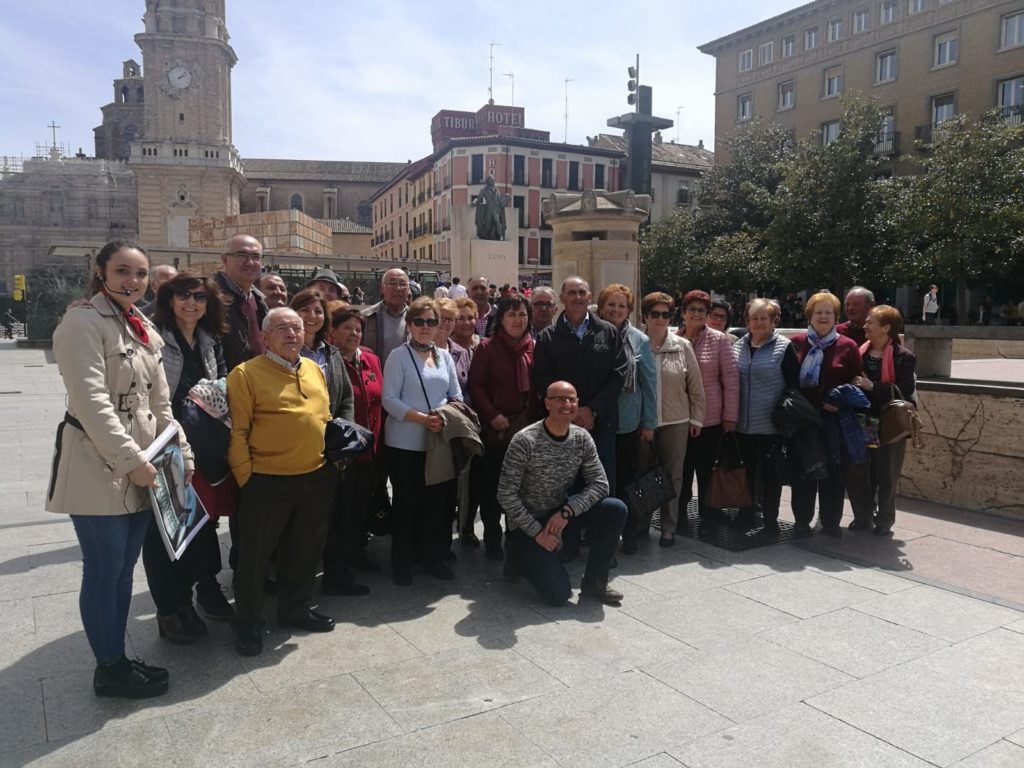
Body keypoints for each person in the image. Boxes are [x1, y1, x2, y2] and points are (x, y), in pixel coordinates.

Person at [48, 239, 194, 698]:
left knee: (124, 568)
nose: (132, 281)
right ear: (101, 272)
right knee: (104, 568)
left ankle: (117, 656)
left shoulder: (143, 327)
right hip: (97, 465)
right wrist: (132, 462)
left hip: (145, 465)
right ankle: (109, 666)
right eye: (122, 271)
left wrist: (181, 454)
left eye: (140, 273)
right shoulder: (82, 322)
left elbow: (161, 403)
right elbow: (91, 403)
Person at [227, 307, 338, 657]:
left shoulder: (314, 369)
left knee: (304, 550)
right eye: (281, 328)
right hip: (267, 481)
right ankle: (247, 624)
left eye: (296, 327)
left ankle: (295, 609)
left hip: (315, 475)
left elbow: (326, 415)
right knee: (256, 558)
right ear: (265, 335)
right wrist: (247, 477)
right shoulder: (245, 374)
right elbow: (238, 432)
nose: (291, 333)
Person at [143, 272, 232, 642]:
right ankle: (169, 608)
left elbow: (224, 381)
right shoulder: (153, 336)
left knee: (200, 523)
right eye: (183, 295)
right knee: (165, 529)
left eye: (199, 296)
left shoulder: (211, 340)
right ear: (169, 299)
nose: (191, 302)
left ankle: (198, 595)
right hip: (165, 442)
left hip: (202, 442)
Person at [499, 381, 628, 606]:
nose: (567, 404)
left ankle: (595, 582)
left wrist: (567, 512)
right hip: (529, 521)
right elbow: (506, 495)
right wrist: (538, 534)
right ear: (547, 403)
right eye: (560, 399)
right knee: (559, 595)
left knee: (615, 509)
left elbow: (600, 484)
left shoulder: (581, 437)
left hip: (560, 511)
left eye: (572, 399)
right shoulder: (525, 440)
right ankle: (517, 555)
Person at [381, 297, 463, 586]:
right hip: (405, 444)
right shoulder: (398, 356)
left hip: (436, 442)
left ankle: (432, 557)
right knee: (406, 504)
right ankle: (402, 561)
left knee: (435, 505)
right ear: (410, 324)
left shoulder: (443, 356)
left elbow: (456, 394)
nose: (426, 327)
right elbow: (389, 399)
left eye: (431, 322)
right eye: (420, 322)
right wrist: (421, 418)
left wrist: (445, 415)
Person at [533, 276, 626, 499]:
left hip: (601, 424)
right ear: (563, 298)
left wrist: (592, 409)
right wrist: (569, 412)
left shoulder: (608, 332)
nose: (578, 297)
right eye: (572, 293)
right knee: (565, 490)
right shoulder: (548, 337)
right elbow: (542, 379)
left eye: (582, 292)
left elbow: (619, 374)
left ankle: (601, 534)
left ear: (590, 297)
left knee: (602, 488)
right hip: (562, 427)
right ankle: (568, 534)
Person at [468, 295, 541, 560]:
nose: (517, 320)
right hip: (497, 429)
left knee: (522, 488)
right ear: (501, 319)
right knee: (493, 489)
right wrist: (492, 414)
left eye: (522, 314)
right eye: (511, 315)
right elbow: (475, 385)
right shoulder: (488, 348)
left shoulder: (534, 347)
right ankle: (491, 536)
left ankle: (515, 536)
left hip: (528, 430)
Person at [790, 291, 863, 537]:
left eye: (828, 312)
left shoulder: (848, 346)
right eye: (818, 312)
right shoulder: (797, 342)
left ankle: (831, 522)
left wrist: (840, 400)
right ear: (810, 316)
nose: (823, 316)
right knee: (804, 473)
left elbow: (857, 381)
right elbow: (787, 380)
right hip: (804, 421)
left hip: (836, 422)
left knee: (834, 474)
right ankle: (801, 521)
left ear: (835, 317)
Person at [596, 284, 656, 554]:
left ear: (629, 310)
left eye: (622, 305)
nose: (616, 310)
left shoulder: (639, 340)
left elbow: (650, 385)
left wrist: (649, 422)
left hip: (628, 421)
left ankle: (629, 531)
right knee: (597, 480)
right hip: (596, 419)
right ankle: (595, 530)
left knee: (627, 479)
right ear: (601, 306)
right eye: (611, 304)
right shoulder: (592, 334)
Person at [641, 293, 705, 546]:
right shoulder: (636, 343)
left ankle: (669, 527)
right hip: (643, 423)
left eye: (665, 314)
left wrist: (696, 420)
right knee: (643, 474)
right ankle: (642, 523)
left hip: (675, 422)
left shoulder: (682, 346)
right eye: (654, 313)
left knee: (673, 477)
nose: (660, 318)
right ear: (645, 316)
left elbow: (696, 388)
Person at [324, 308, 384, 577]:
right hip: (344, 452)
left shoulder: (371, 359)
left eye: (358, 329)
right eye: (347, 328)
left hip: (371, 450)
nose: (354, 334)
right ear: (332, 332)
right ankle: (336, 564)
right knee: (340, 509)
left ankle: (357, 552)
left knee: (362, 504)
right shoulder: (328, 361)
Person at [848, 305, 917, 536]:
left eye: (871, 322)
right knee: (862, 470)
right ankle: (863, 515)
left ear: (886, 328)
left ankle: (885, 518)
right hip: (865, 421)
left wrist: (872, 386)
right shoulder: (859, 352)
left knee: (886, 471)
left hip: (891, 423)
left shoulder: (904, 357)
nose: (865, 326)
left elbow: (906, 389)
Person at [733, 298, 800, 534]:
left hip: (772, 426)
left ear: (774, 321)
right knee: (747, 473)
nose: (759, 322)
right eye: (754, 318)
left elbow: (794, 386)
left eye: (764, 318)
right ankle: (746, 514)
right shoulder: (738, 345)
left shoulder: (784, 347)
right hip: (742, 424)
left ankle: (771, 521)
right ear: (747, 320)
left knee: (771, 476)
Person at [677, 290, 740, 528]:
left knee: (706, 470)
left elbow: (731, 380)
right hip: (680, 418)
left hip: (710, 419)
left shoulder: (719, 340)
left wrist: (730, 417)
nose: (696, 314)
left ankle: (708, 512)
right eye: (691, 309)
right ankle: (679, 514)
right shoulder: (673, 339)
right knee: (681, 470)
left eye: (701, 310)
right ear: (683, 313)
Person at [289, 289, 354, 422]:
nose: (312, 316)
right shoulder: (284, 353)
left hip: (330, 435)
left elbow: (346, 398)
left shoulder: (333, 354)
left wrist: (343, 431)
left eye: (318, 311)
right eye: (305, 310)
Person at [215, 235, 268, 372]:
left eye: (256, 257)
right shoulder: (211, 297)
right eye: (241, 255)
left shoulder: (258, 299)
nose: (250, 262)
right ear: (225, 259)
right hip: (226, 385)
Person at [362, 268, 410, 363]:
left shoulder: (417, 319)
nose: (398, 288)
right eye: (392, 283)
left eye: (402, 284)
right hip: (376, 376)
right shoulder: (366, 317)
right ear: (382, 288)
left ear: (408, 290)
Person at [434, 298, 471, 392]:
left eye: (450, 319)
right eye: (442, 318)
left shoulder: (462, 353)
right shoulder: (421, 349)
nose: (446, 323)